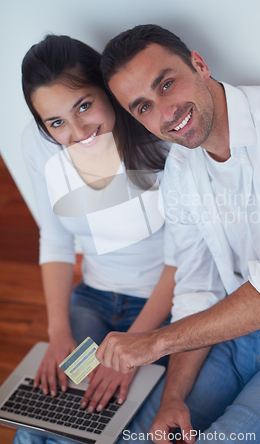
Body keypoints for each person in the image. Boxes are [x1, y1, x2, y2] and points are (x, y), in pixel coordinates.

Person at [95, 24, 260, 442]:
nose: (166, 113)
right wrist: (174, 396)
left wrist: (154, 343)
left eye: (166, 84)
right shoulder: (182, 171)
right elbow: (196, 287)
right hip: (233, 333)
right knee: (142, 435)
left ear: (199, 64)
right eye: (143, 107)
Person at [13, 34, 176, 444]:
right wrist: (59, 333)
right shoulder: (41, 149)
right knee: (44, 417)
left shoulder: (162, 140)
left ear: (107, 90)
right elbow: (55, 241)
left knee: (99, 425)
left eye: (83, 105)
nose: (78, 131)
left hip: (162, 312)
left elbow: (187, 260)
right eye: (56, 123)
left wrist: (135, 348)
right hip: (94, 301)